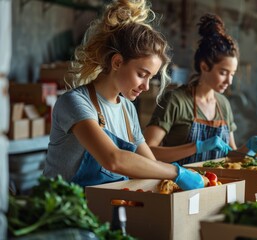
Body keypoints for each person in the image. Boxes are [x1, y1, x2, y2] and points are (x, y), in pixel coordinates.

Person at [43, 0, 205, 190]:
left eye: (150, 77)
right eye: (142, 75)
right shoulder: (75, 102)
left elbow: (150, 165)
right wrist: (177, 172)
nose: (145, 86)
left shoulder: (127, 109)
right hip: (63, 209)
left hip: (105, 207)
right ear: (118, 62)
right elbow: (113, 159)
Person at [144, 13, 239, 165]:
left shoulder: (223, 105)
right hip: (179, 186)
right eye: (223, 72)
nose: (229, 81)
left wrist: (255, 151)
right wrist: (197, 147)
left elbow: (232, 154)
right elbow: (148, 152)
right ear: (204, 66)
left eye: (232, 74)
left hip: (217, 185)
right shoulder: (175, 101)